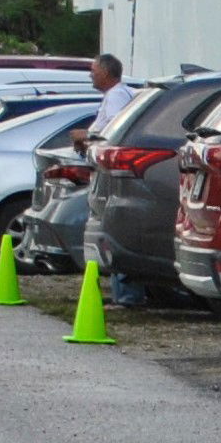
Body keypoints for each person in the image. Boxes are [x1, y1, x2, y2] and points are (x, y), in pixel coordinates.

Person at [70, 53, 141, 305]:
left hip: (113, 173)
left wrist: (87, 133)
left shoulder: (117, 96)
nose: (90, 74)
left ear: (107, 72)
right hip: (105, 171)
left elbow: (116, 129)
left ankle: (128, 294)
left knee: (115, 227)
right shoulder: (112, 97)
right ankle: (122, 292)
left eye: (93, 70)